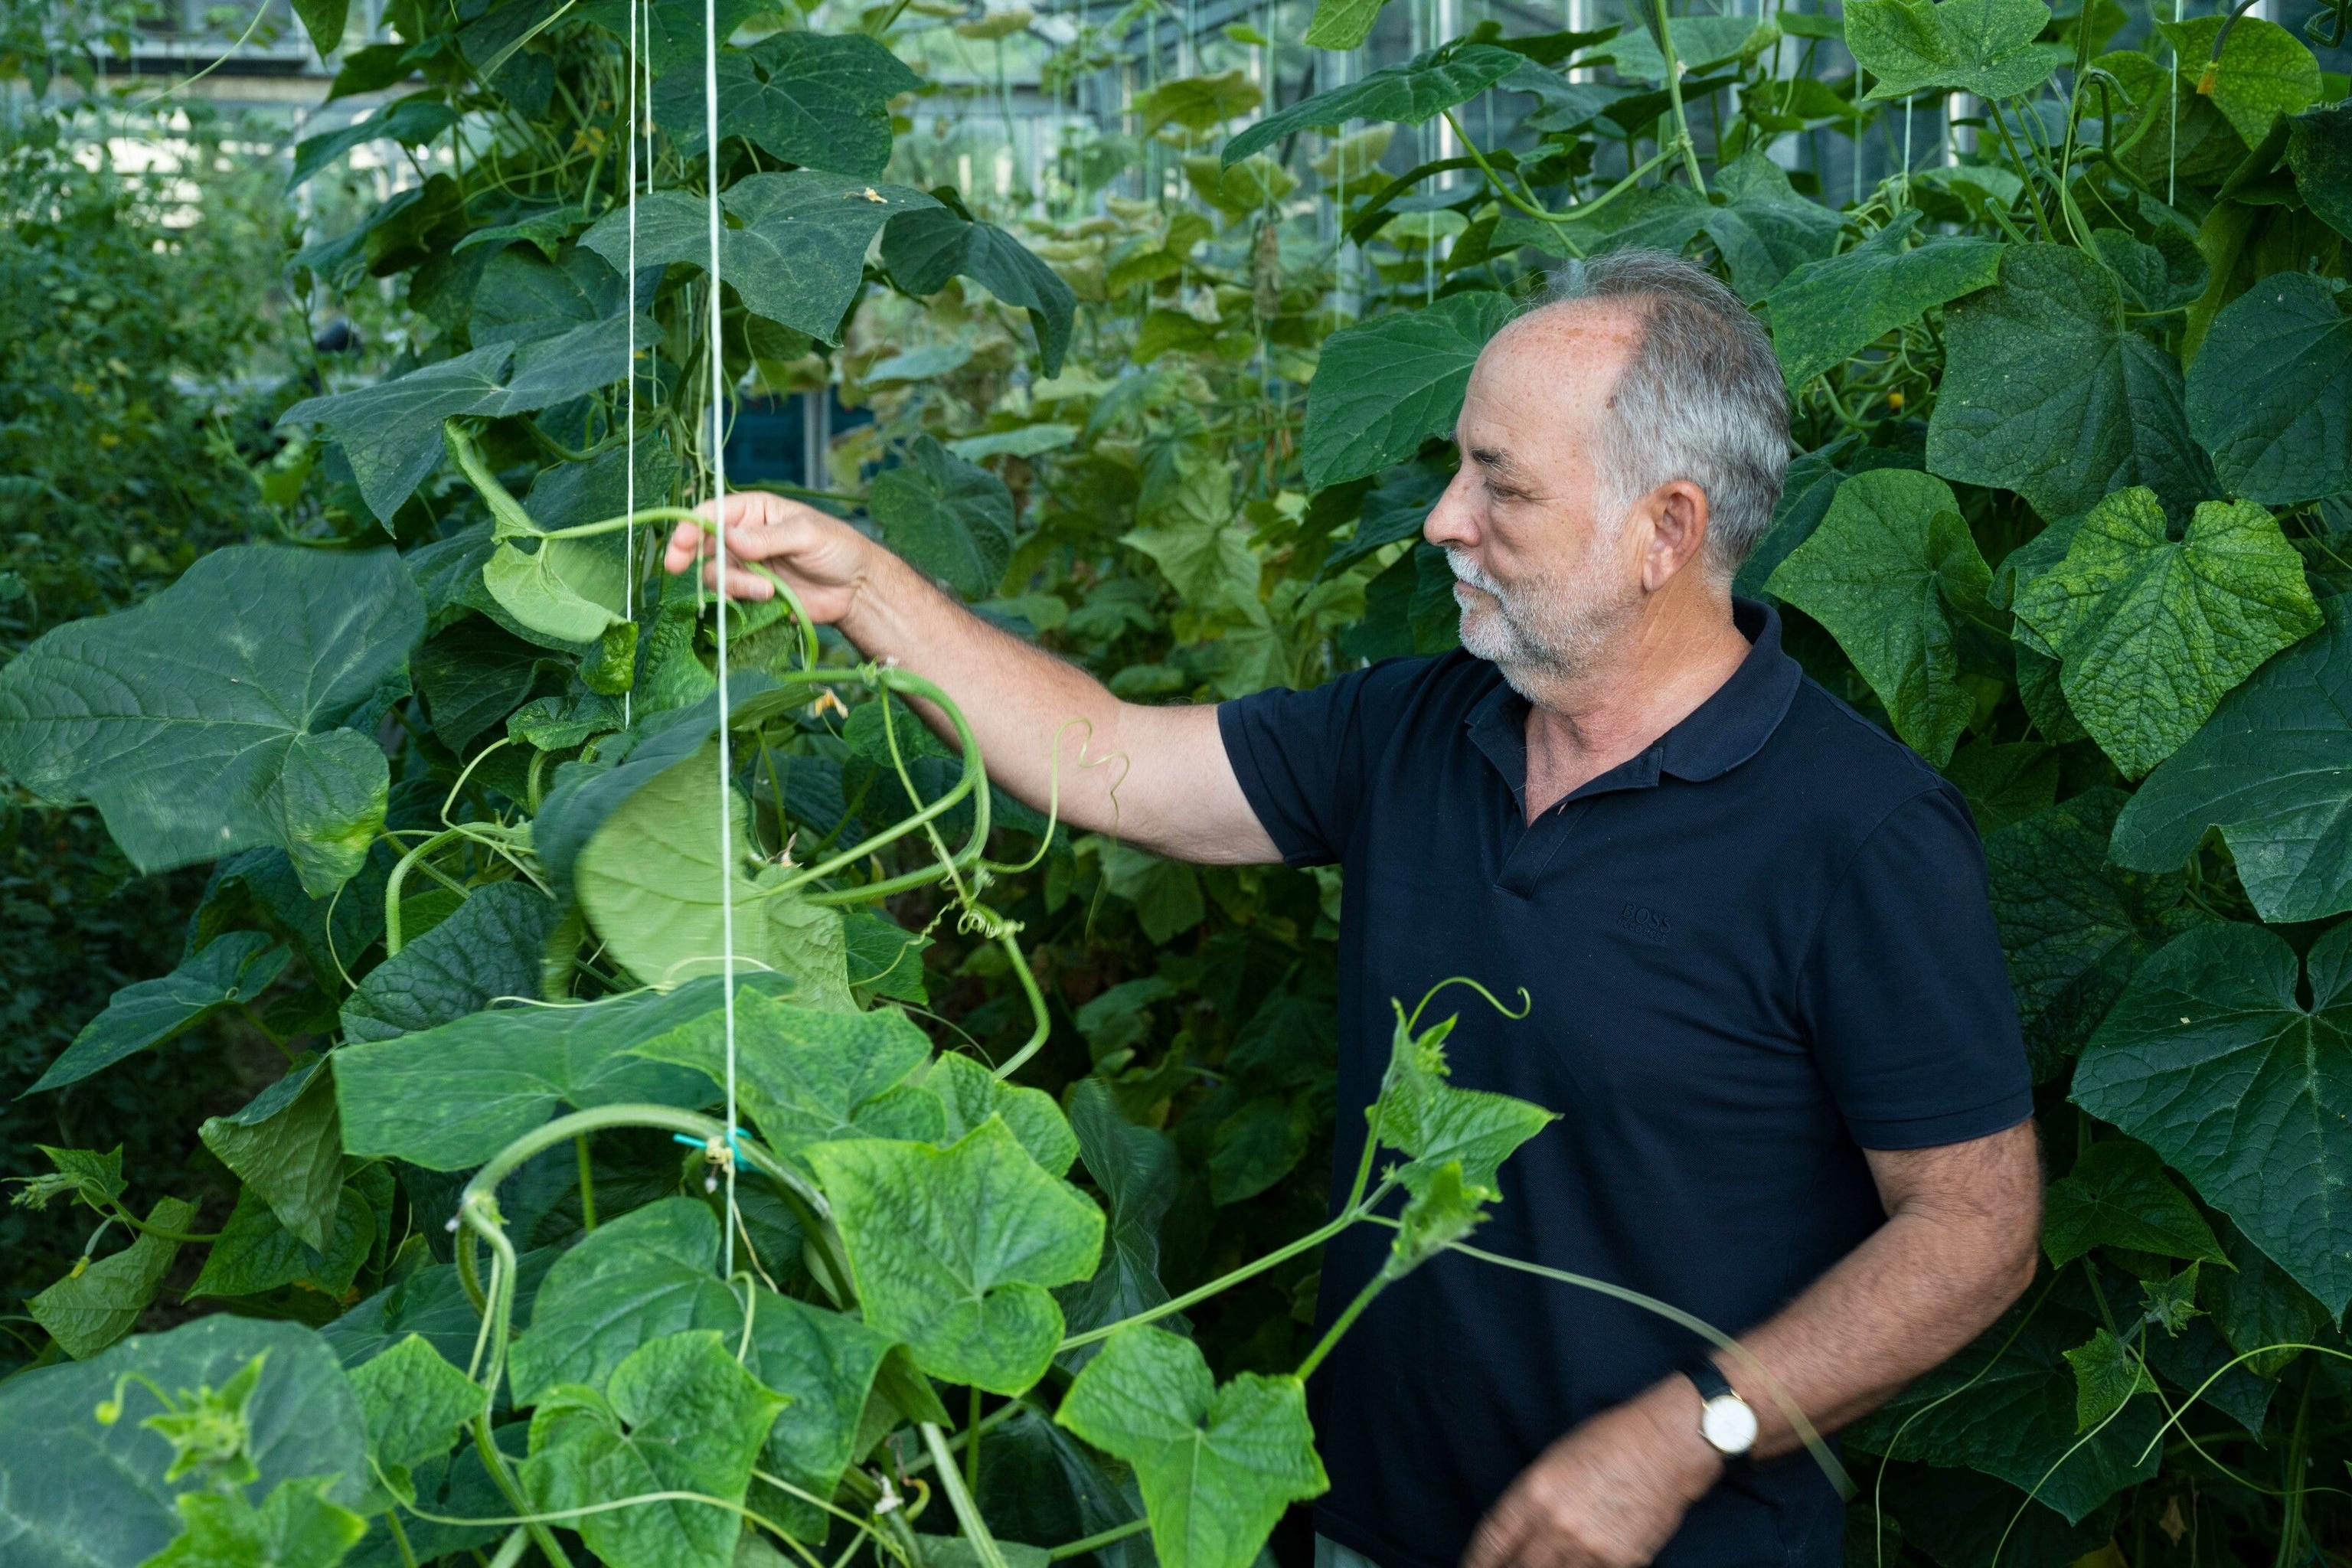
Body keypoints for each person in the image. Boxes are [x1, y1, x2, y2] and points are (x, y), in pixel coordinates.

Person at [665, 250, 2042, 1568]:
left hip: (1682, 1549)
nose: (1444, 517)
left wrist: (1693, 1431)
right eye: (1458, 466)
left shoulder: (1856, 834)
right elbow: (1118, 764)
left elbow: (1973, 1232)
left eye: (1499, 484)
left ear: (1663, 531)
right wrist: (870, 596)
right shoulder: (1417, 727)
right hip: (1370, 1522)